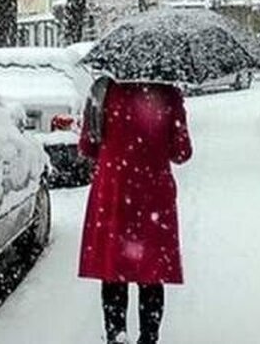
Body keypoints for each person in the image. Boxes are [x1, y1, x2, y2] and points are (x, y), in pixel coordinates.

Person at [78, 78, 193, 344]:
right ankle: (148, 337)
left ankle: (116, 335)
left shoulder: (103, 91)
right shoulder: (168, 95)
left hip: (114, 192)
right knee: (151, 273)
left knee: (113, 270)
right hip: (153, 196)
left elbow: (87, 147)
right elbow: (182, 152)